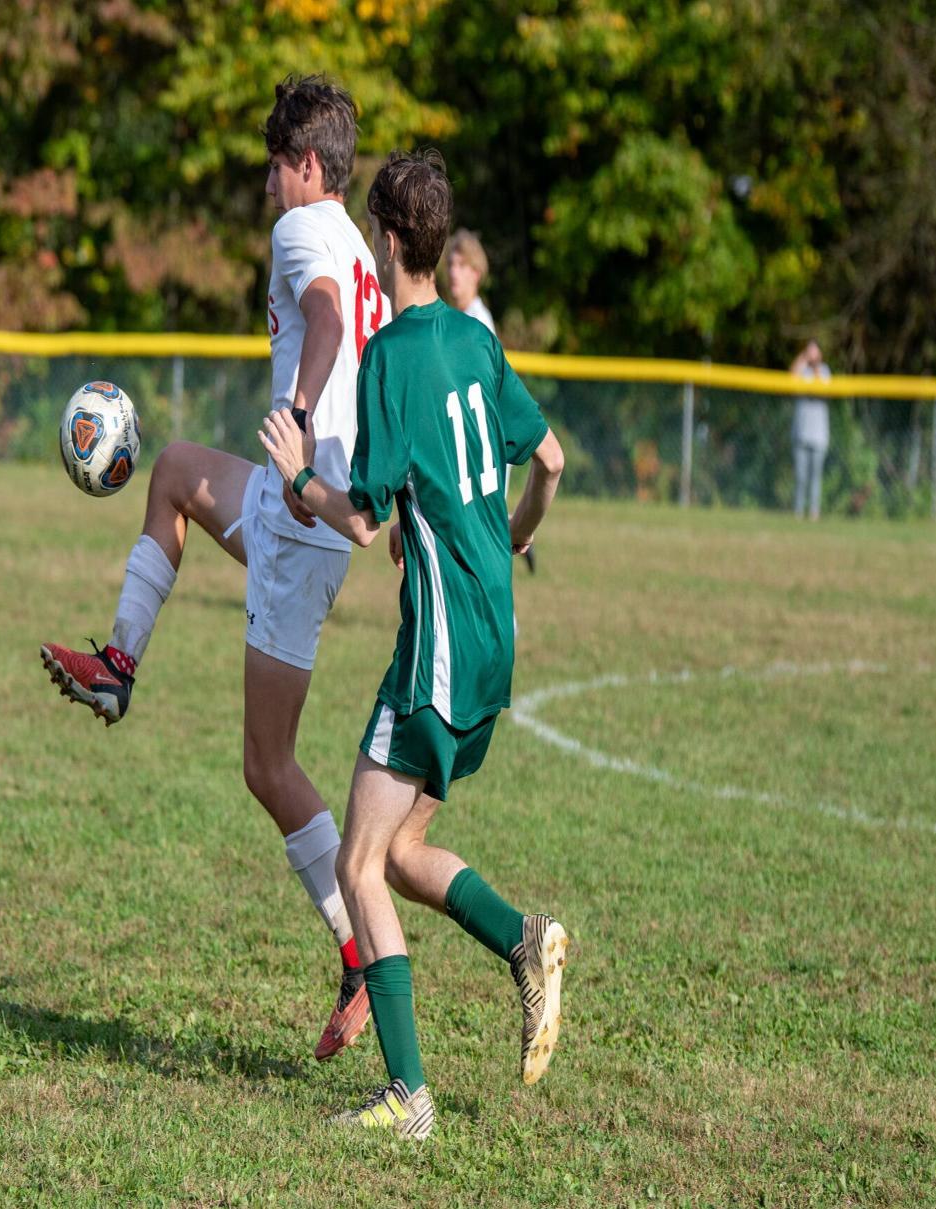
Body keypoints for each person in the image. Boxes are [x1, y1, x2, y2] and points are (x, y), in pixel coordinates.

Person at [38, 75, 387, 1062]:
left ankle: (360, 950)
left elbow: (322, 324)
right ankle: (119, 667)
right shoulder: (360, 243)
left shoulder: (304, 232)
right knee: (180, 473)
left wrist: (304, 413)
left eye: (277, 164)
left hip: (302, 519)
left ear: (307, 166)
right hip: (307, 510)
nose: (269, 183)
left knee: (265, 765)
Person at [258, 147, 568, 1139]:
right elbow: (550, 458)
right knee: (399, 851)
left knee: (355, 866)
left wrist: (300, 472)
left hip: (434, 651)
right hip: (494, 642)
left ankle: (408, 1097)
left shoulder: (395, 355)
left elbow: (359, 519)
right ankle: (525, 939)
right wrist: (511, 537)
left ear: (388, 239)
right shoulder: (476, 341)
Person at [447, 228, 536, 574]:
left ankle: (504, 621)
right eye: (451, 263)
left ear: (477, 273)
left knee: (479, 543)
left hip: (482, 446)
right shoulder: (461, 320)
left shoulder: (476, 323)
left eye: (462, 264)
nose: (453, 271)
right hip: (469, 444)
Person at [790, 340, 832, 519]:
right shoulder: (802, 370)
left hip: (819, 435)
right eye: (810, 351)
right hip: (800, 432)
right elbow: (791, 377)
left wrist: (815, 364)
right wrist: (803, 358)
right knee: (800, 476)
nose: (812, 355)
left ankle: (814, 512)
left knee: (815, 477)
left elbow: (822, 386)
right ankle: (798, 512)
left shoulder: (823, 371)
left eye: (815, 352)